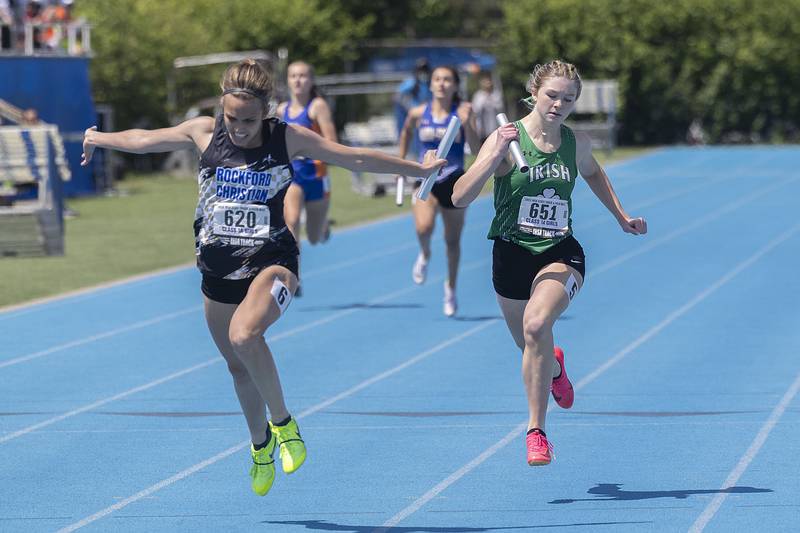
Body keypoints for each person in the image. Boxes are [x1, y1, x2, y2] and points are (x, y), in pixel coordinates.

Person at [80, 58, 445, 496]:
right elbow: (143, 139)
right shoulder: (203, 131)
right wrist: (97, 137)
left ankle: (285, 425)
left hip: (273, 262)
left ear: (267, 112)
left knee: (245, 336)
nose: (239, 129)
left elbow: (355, 157)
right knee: (237, 369)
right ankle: (260, 447)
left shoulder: (285, 137)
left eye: (249, 120)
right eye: (232, 118)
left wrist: (416, 170)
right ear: (222, 108)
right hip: (217, 271)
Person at [452, 59, 647, 466]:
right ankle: (555, 371)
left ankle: (536, 431)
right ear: (534, 93)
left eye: (568, 98)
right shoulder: (507, 139)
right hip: (510, 253)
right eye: (552, 95)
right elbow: (459, 197)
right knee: (530, 346)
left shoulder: (575, 143)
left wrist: (620, 216)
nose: (559, 104)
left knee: (538, 324)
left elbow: (593, 174)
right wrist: (491, 159)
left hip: (560, 252)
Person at [399, 65, 480, 317]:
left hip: (455, 181)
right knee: (423, 228)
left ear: (455, 85)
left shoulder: (464, 112)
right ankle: (424, 253)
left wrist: (469, 126)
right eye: (437, 79)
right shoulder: (417, 112)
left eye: (447, 79)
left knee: (452, 241)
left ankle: (451, 288)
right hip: (426, 178)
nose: (441, 84)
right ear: (431, 84)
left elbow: (477, 149)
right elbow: (406, 133)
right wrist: (401, 163)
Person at [276, 61, 335, 296]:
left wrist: (310, 150)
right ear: (288, 81)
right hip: (294, 176)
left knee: (314, 236)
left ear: (311, 80)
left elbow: (331, 140)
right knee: (291, 221)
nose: (298, 80)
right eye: (293, 76)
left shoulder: (317, 107)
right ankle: (294, 276)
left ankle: (323, 228)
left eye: (302, 76)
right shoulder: (281, 110)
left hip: (317, 176)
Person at [393, 58, 432, 144]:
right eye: (421, 70)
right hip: (412, 113)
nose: (423, 72)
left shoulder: (430, 83)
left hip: (426, 113)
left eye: (425, 69)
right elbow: (398, 96)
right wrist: (412, 107)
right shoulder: (411, 82)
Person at [471, 72, 504, 143]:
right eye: (485, 82)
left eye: (488, 81)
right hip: (482, 130)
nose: (487, 83)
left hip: (494, 128)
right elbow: (475, 111)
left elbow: (500, 109)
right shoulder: (478, 96)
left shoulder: (496, 95)